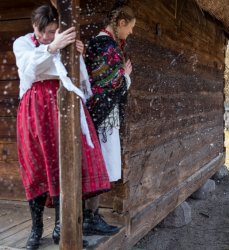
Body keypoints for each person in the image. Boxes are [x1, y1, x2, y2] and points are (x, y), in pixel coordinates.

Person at [13, 4, 111, 249]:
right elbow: (29, 69)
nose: (46, 36)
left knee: (63, 163)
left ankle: (61, 227)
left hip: (62, 104)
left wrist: (75, 54)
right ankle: (36, 229)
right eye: (43, 31)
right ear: (34, 26)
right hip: (34, 107)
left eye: (52, 31)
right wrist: (53, 48)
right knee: (35, 165)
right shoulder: (22, 43)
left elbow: (74, 74)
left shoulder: (62, 42)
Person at [83, 2, 136, 235]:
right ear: (121, 23)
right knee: (101, 164)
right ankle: (90, 218)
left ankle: (89, 216)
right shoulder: (107, 46)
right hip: (103, 116)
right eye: (130, 27)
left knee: (99, 164)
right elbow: (112, 83)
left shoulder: (99, 44)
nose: (131, 33)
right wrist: (125, 75)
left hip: (97, 112)